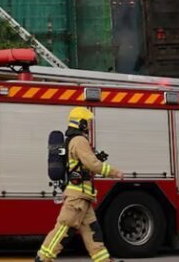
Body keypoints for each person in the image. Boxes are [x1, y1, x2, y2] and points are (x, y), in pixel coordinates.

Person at [36, 107, 124, 262]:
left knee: (92, 232)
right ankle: (43, 258)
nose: (88, 125)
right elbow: (92, 164)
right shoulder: (79, 140)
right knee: (64, 228)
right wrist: (114, 172)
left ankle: (103, 260)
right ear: (81, 122)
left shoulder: (72, 140)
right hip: (77, 196)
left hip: (83, 196)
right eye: (87, 122)